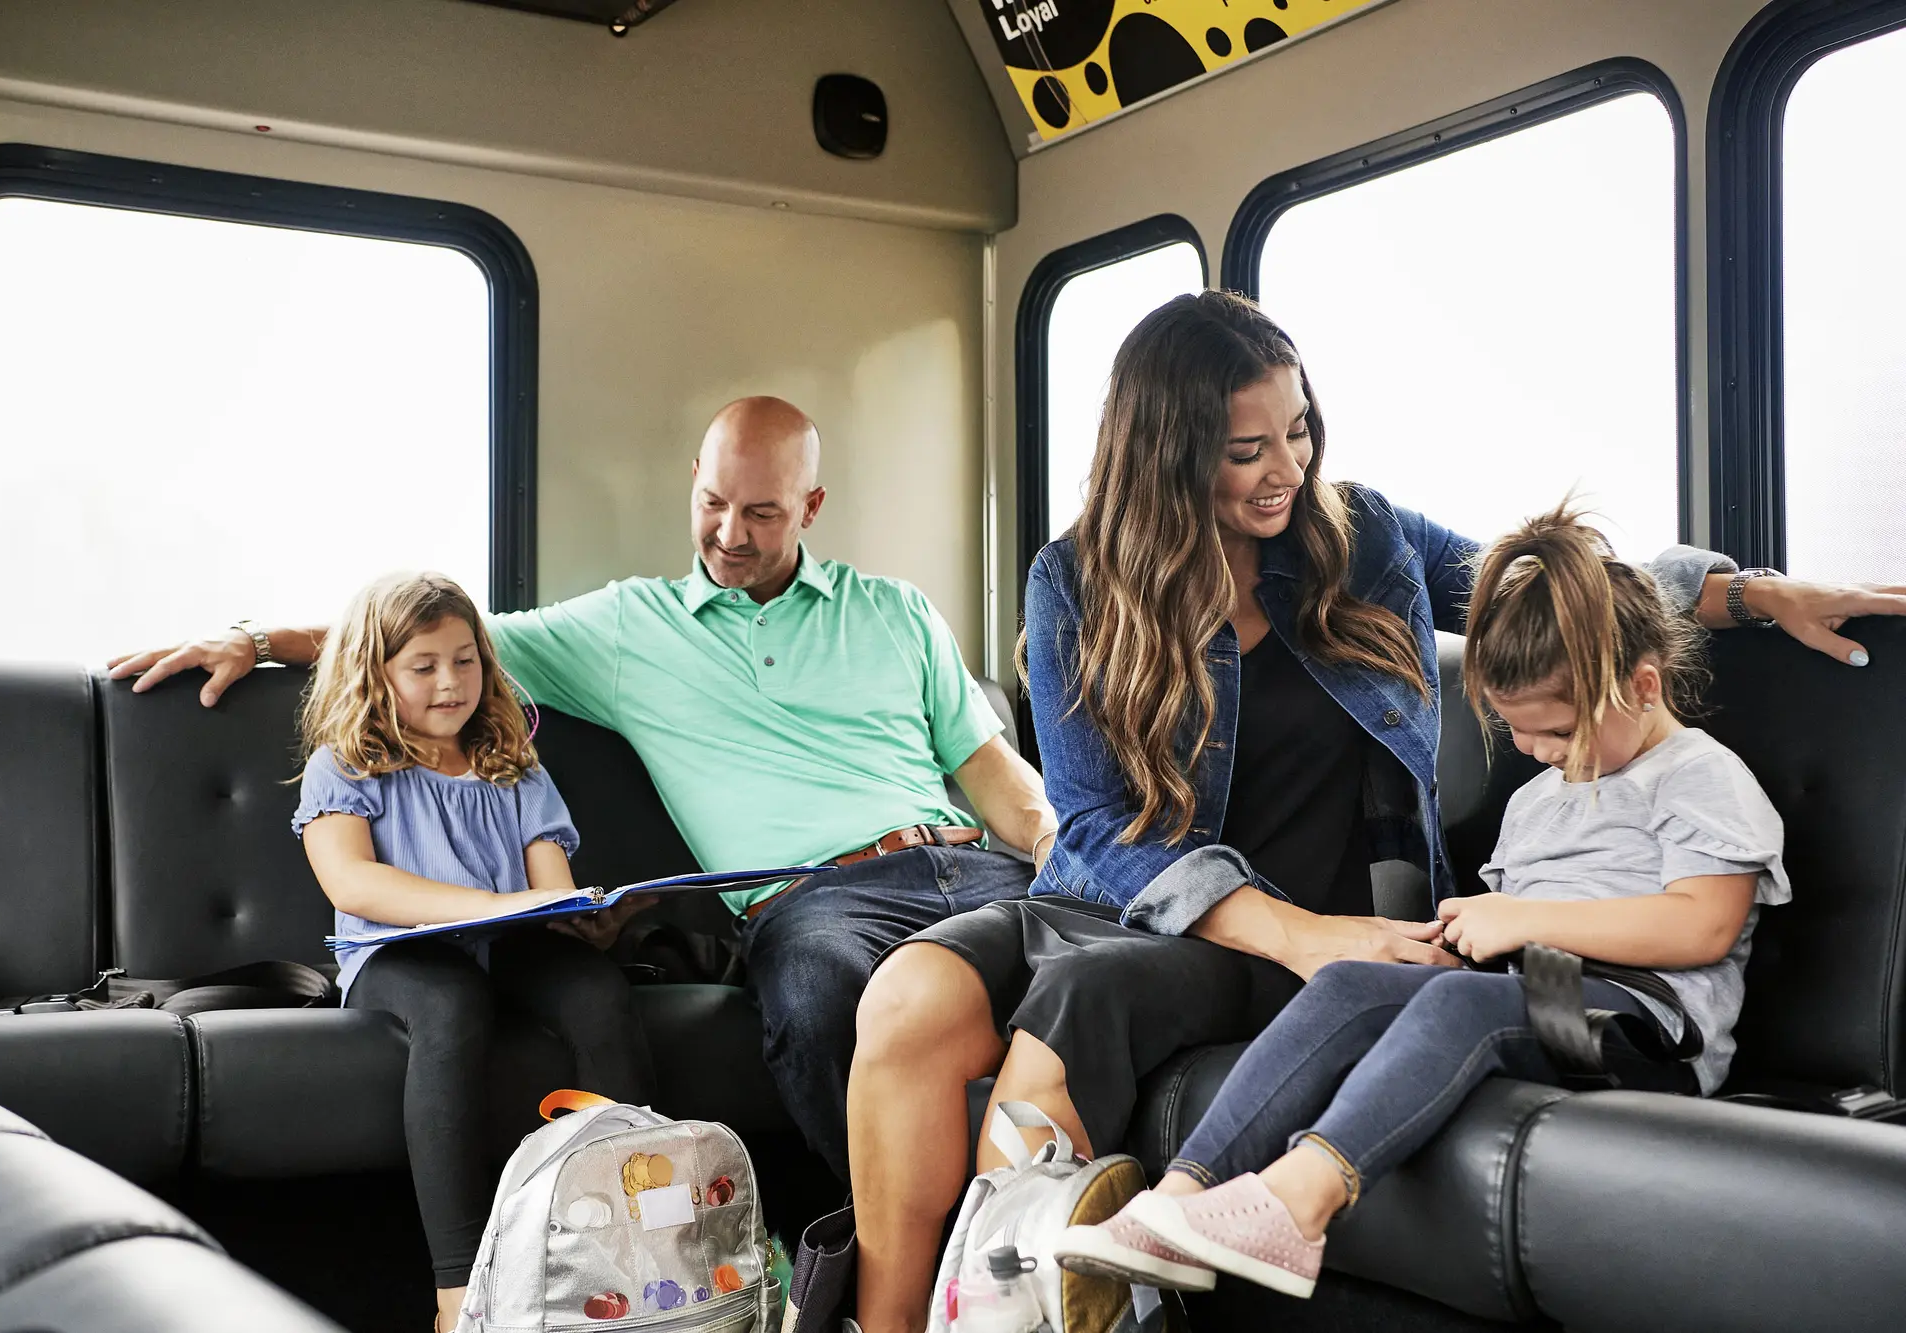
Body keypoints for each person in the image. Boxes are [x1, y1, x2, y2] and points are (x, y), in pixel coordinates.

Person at [844, 290, 1906, 1333]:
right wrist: (1294, 935)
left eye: (1297, 430)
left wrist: (1752, 593)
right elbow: (1087, 822)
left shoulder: (1362, 538)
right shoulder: (1074, 579)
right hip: (1138, 900)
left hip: (1320, 922)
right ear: (1163, 452)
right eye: (1243, 449)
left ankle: (1020, 1299)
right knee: (903, 1000)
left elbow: (1555, 595)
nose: (1286, 469)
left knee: (1064, 1028)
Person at [107, 397, 1057, 1185]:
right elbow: (432, 636)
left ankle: (1051, 1210)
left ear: (810, 506)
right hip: (813, 901)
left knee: (1094, 971)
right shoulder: (626, 628)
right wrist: (259, 640)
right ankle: (928, 1244)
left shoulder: (896, 611)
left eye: (762, 514)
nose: (729, 534)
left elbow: (994, 778)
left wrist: (1058, 844)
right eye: (714, 501)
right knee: (815, 1003)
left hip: (970, 867)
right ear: (693, 478)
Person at [1051, 505, 1789, 1296]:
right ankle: (1177, 1204)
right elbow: (1505, 945)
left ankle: (1297, 1205)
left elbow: (1702, 924)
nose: (1538, 753)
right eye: (1522, 735)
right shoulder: (1539, 800)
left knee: (1457, 1008)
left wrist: (1521, 921)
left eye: (1557, 731)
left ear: (1643, 686)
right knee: (1348, 983)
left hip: (1642, 1029)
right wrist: (1453, 940)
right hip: (1534, 997)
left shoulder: (1698, 773)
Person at [292, 571, 652, 1333]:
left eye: (465, 660)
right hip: (397, 956)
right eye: (423, 666)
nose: (450, 682)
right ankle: (456, 1291)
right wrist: (495, 906)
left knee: (597, 990)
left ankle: (633, 1244)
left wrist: (583, 919)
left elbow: (547, 887)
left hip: (508, 941)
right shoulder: (346, 762)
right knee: (454, 1004)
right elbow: (352, 881)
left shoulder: (512, 760)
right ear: (376, 672)